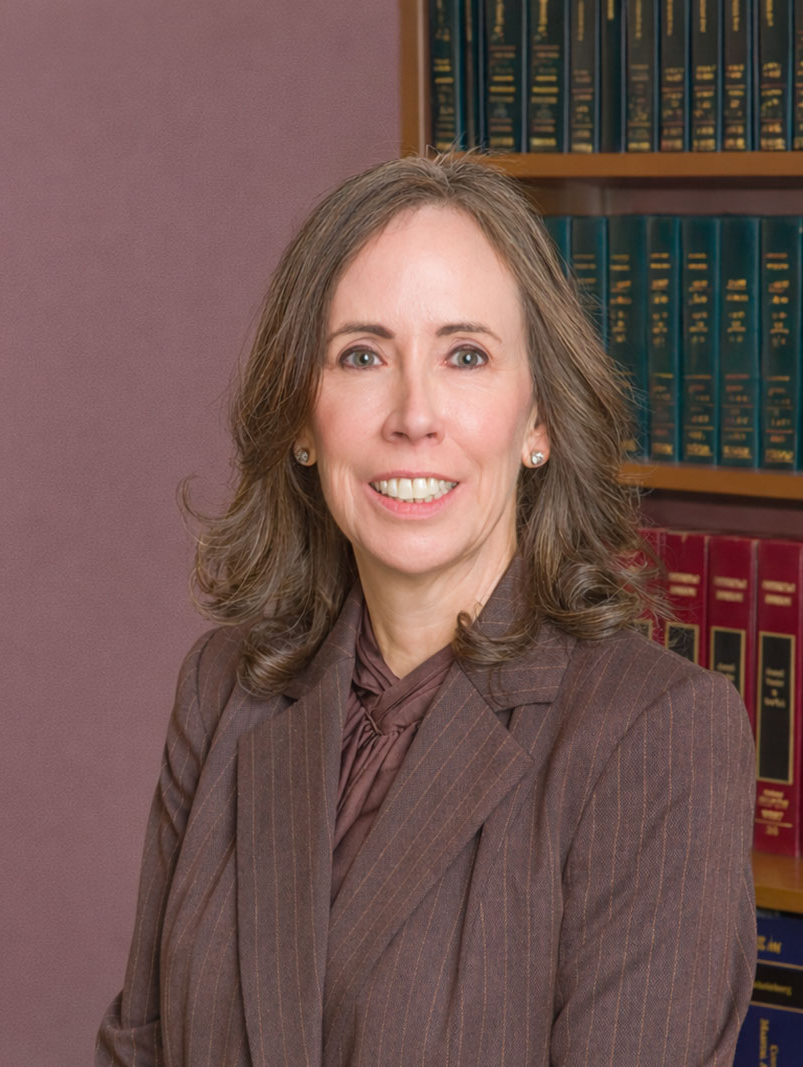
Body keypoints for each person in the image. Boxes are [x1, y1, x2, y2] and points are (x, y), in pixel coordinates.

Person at [94, 153, 755, 1066]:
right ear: (301, 418)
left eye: (465, 355)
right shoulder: (223, 690)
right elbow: (139, 1047)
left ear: (538, 421)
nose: (413, 414)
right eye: (362, 355)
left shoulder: (657, 734)